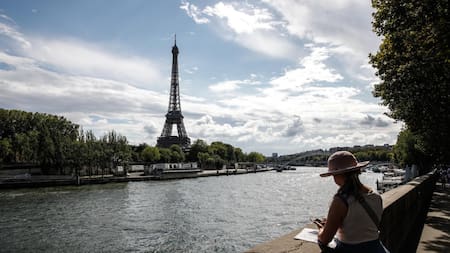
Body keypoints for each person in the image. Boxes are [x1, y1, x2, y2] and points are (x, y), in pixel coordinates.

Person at [317, 151, 389, 253]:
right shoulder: (376, 196)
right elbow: (361, 226)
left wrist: (322, 230)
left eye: (333, 175)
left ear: (337, 175)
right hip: (376, 248)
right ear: (357, 171)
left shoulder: (340, 201)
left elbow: (325, 239)